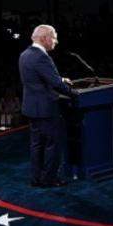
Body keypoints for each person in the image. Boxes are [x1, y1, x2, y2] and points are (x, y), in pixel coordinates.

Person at [18, 24, 75, 188]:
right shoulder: (42, 57)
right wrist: (75, 93)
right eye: (54, 37)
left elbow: (38, 78)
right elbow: (56, 84)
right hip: (46, 109)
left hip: (32, 108)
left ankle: (36, 178)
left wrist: (60, 79)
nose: (56, 41)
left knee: (37, 145)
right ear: (45, 38)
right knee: (53, 144)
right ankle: (49, 179)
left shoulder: (25, 54)